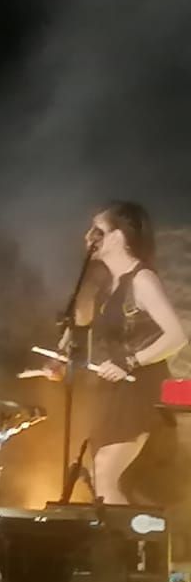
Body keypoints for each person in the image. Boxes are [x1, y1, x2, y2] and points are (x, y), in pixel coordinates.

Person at [77, 201, 185, 504]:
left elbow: (177, 336)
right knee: (103, 476)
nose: (88, 237)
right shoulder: (109, 285)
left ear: (119, 237)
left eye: (98, 230)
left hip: (140, 389)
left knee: (105, 473)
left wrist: (129, 362)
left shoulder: (142, 280)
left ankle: (121, 549)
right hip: (115, 390)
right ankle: (130, 544)